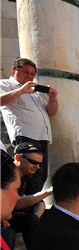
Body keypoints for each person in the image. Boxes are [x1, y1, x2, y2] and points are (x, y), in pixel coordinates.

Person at [0, 58, 58, 193]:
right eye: (26, 72)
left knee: (40, 175)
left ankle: (31, 205)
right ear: (14, 70)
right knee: (27, 175)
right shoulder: (5, 84)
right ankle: (20, 205)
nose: (29, 76)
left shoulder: (34, 92)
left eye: (32, 74)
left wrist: (53, 98)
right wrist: (21, 90)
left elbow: (51, 112)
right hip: (26, 136)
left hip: (42, 137)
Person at [9, 142, 51, 250]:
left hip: (14, 215)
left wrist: (37, 216)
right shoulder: (6, 174)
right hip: (4, 218)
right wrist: (47, 192)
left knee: (50, 214)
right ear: (18, 158)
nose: (37, 167)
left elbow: (38, 201)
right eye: (33, 162)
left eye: (39, 163)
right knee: (29, 221)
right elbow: (15, 203)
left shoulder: (28, 175)